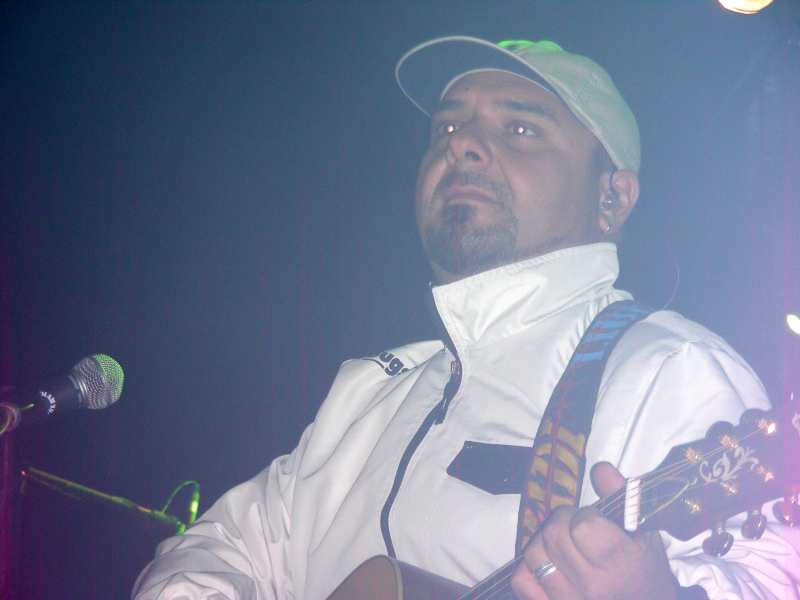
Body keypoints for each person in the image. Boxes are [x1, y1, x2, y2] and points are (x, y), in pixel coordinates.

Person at [132, 36, 799, 600]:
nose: (463, 146)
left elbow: (771, 578)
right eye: (447, 129)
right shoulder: (372, 392)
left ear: (612, 197)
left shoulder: (668, 368)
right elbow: (219, 547)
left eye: (520, 129)